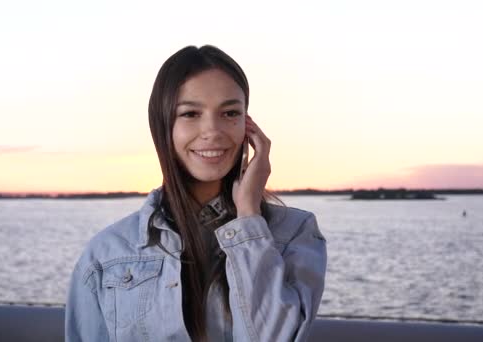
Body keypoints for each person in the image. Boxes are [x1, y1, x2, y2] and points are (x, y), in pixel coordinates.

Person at [65, 45, 327, 342]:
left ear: (248, 125)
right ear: (163, 125)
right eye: (190, 113)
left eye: (230, 113)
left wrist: (248, 218)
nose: (212, 130)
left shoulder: (294, 234)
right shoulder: (108, 252)